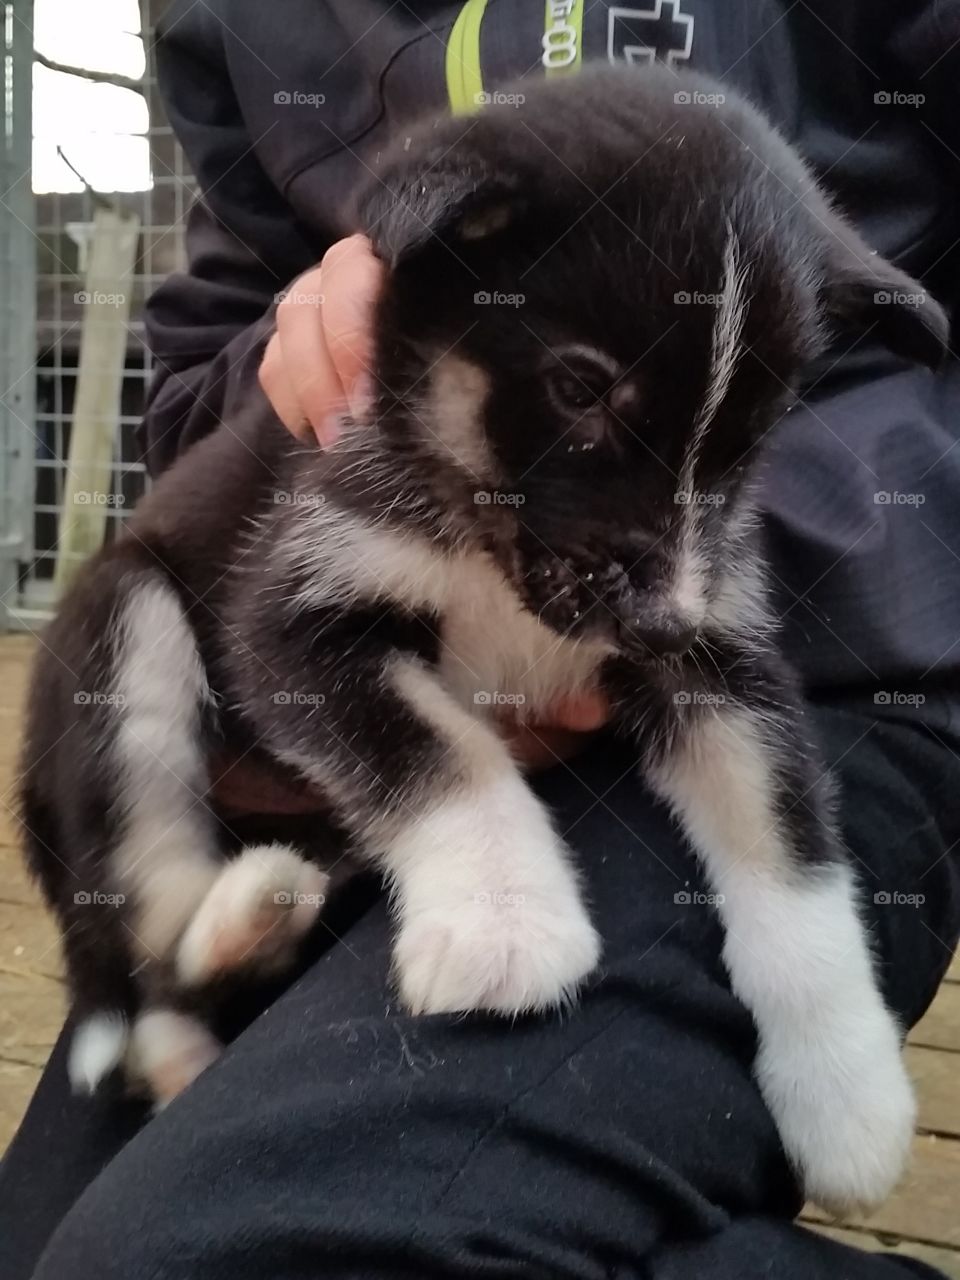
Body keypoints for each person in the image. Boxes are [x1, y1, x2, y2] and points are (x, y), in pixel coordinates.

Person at [3, 2, 960, 1276]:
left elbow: (718, 675)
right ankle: (171, 956)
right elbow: (201, 410)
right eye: (584, 401)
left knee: (229, 1249)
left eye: (730, 458)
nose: (667, 587)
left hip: (867, 675)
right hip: (327, 769)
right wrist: (304, 344)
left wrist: (817, 1000)